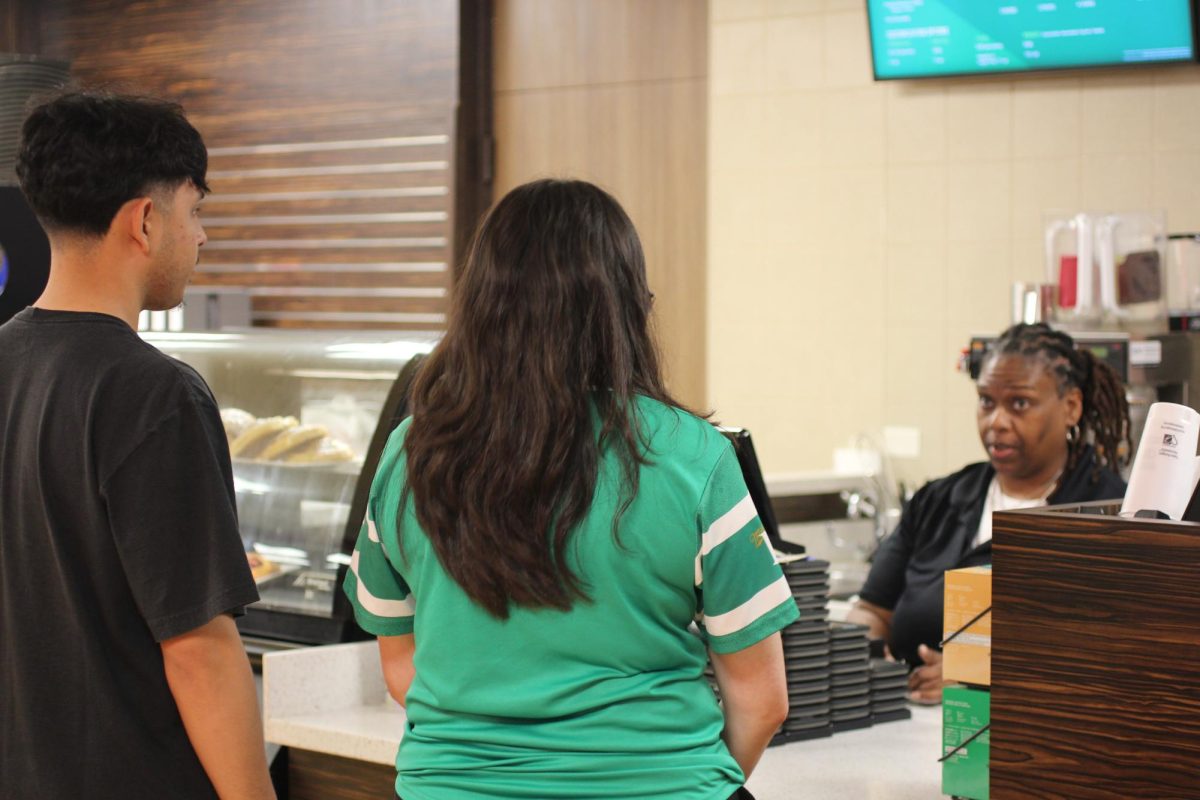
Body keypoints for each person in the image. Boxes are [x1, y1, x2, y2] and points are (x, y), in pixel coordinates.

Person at [344, 179, 797, 800]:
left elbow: (402, 668)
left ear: (481, 303)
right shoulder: (696, 457)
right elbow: (762, 701)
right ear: (626, 306)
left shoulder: (410, 453)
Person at [0, 91, 274, 799]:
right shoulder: (155, 395)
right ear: (145, 222)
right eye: (196, 211)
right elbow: (198, 651)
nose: (202, 236)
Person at [848, 322, 1129, 703]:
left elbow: (1108, 653)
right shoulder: (938, 499)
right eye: (986, 401)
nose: (996, 421)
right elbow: (872, 610)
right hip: (901, 731)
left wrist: (976, 673)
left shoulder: (1110, 515)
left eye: (1019, 403)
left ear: (1071, 407)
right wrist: (859, 660)